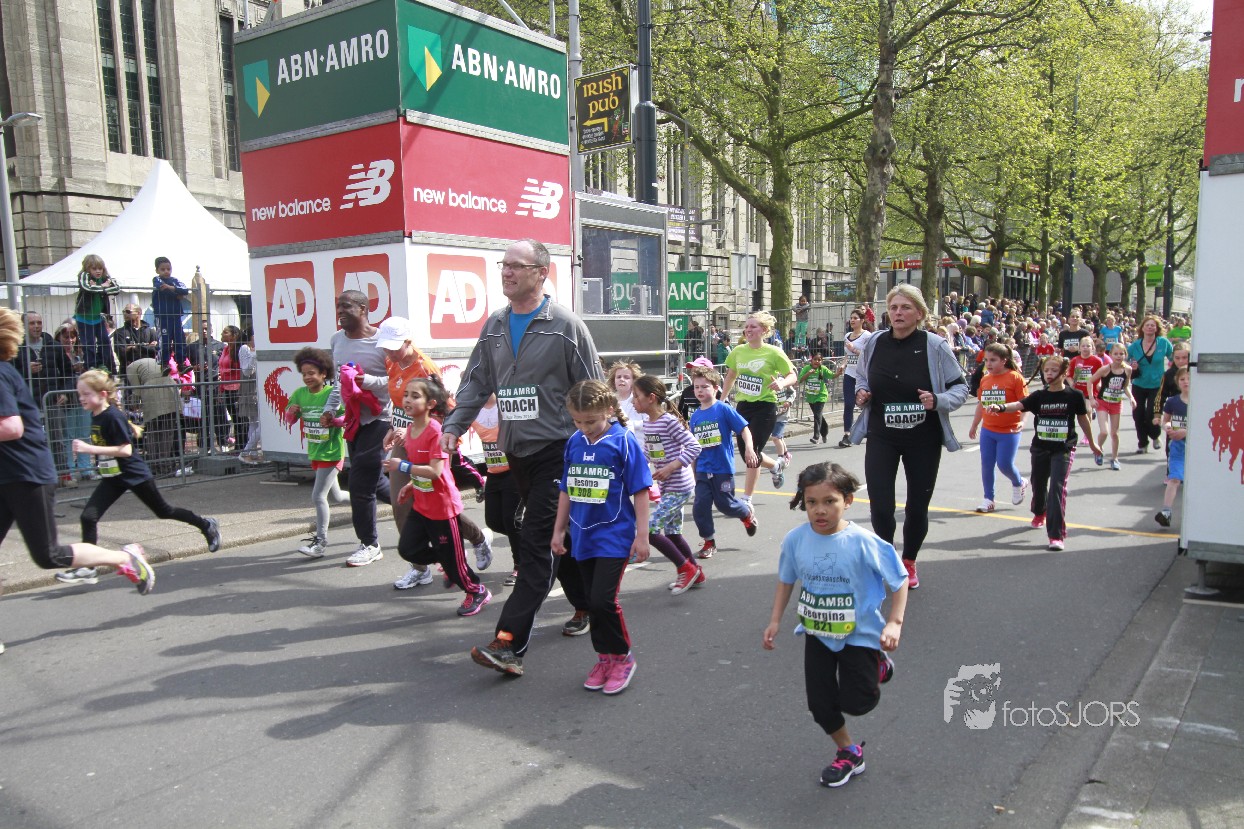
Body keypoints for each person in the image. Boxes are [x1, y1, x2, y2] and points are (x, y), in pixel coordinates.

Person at [442, 239, 601, 678]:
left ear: (541, 272)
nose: (507, 272)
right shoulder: (495, 325)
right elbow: (476, 382)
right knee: (556, 539)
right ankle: (586, 604)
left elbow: (593, 389)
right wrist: (454, 426)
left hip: (559, 452)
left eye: (516, 265)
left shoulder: (565, 325)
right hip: (516, 453)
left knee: (536, 543)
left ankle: (509, 642)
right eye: (504, 265)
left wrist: (604, 447)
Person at [0, 308, 156, 620]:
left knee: (48, 555)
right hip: (7, 475)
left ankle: (123, 557)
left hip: (26, 475)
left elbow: (12, 427)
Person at [762, 462, 908, 789]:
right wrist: (775, 620)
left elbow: (898, 580)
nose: (820, 510)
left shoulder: (862, 541)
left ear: (848, 501)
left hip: (859, 635)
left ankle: (878, 664)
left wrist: (894, 623)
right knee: (820, 704)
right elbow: (786, 580)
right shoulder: (796, 540)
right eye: (812, 502)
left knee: (858, 703)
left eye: (830, 501)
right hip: (817, 632)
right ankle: (849, 752)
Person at [850, 284, 971, 589]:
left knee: (917, 506)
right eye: (893, 307)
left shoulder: (935, 345)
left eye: (905, 307)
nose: (898, 313)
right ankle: (887, 556)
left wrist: (938, 400)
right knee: (880, 505)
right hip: (882, 435)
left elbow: (961, 387)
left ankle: (909, 560)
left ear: (919, 313)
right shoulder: (875, 342)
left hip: (923, 439)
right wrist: (862, 392)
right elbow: (862, 377)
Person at [54, 369, 221, 586]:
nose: (81, 398)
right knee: (88, 517)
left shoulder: (112, 417)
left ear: (102, 394)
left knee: (164, 511)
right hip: (114, 478)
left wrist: (89, 448)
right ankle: (88, 568)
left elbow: (125, 450)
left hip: (134, 475)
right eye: (80, 394)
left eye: (86, 394)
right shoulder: (96, 415)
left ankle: (206, 525)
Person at [375, 316, 493, 586]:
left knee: (438, 505)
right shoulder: (391, 363)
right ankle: (420, 567)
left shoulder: (424, 368)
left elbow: (444, 410)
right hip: (405, 439)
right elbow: (400, 404)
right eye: (385, 346)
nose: (389, 352)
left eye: (394, 346)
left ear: (408, 341)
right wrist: (394, 427)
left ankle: (476, 538)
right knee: (402, 503)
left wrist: (419, 429)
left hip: (431, 440)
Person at [553, 379, 651, 694]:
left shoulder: (623, 441)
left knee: (602, 600)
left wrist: (642, 535)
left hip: (615, 535)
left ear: (609, 410)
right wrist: (559, 530)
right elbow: (566, 489)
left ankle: (622, 657)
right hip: (582, 535)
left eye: (591, 421)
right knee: (592, 602)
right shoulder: (574, 442)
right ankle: (604, 658)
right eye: (578, 421)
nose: (585, 428)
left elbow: (640, 490)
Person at [391, 377, 492, 616]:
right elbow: (423, 469)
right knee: (408, 549)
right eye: (406, 394)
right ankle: (449, 559)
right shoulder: (410, 431)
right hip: (422, 505)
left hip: (442, 509)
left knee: (455, 567)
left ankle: (476, 590)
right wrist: (411, 486)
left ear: (430, 404)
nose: (407, 400)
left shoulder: (435, 431)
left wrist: (402, 466)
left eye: (415, 396)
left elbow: (436, 471)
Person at [987, 355, 1102, 551]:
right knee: (1038, 484)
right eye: (1046, 370)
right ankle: (1039, 512)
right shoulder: (1039, 396)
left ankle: (1056, 535)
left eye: (1054, 371)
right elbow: (1019, 405)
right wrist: (1001, 407)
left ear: (1064, 373)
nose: (1049, 374)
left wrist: (1092, 442)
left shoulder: (1073, 395)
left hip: (1063, 448)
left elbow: (1083, 419)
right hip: (1040, 447)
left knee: (1057, 487)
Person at [320, 290, 393, 567]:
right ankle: (415, 506)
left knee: (360, 482)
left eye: (346, 306)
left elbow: (396, 381)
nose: (340, 311)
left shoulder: (382, 341)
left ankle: (369, 544)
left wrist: (367, 381)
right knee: (375, 480)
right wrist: (330, 409)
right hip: (354, 421)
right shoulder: (337, 340)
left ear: (363, 309)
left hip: (381, 419)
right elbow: (340, 382)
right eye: (338, 306)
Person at [633, 374, 704, 594]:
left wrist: (671, 467)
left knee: (651, 530)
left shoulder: (669, 422)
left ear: (651, 398)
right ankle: (696, 572)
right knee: (672, 533)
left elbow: (695, 447)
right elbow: (650, 452)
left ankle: (686, 569)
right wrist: (633, 466)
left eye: (636, 396)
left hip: (679, 486)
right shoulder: (648, 423)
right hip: (667, 487)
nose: (633, 401)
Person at [284, 348, 349, 559]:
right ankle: (366, 501)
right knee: (338, 496)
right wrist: (291, 413)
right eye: (304, 374)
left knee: (318, 496)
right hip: (315, 451)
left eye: (312, 373)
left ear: (324, 373)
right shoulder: (299, 394)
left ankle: (320, 543)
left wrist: (334, 421)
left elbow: (347, 418)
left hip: (331, 452)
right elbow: (289, 419)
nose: (307, 377)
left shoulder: (332, 394)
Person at [688, 365, 758, 558]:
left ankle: (745, 513)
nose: (700, 390)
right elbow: (694, 447)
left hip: (722, 469)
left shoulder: (723, 409)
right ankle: (709, 542)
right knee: (700, 506)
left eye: (705, 386)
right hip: (703, 469)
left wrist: (749, 448)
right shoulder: (695, 417)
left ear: (716, 388)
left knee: (725, 504)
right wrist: (694, 472)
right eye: (696, 387)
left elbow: (744, 429)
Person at [723, 311, 796, 496]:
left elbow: (792, 375)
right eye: (746, 326)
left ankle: (746, 498)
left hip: (765, 406)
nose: (748, 330)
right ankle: (775, 466)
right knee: (745, 452)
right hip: (743, 406)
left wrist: (781, 383)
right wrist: (721, 400)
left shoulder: (774, 352)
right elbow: (731, 376)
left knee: (753, 452)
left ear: (764, 330)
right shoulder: (738, 351)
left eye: (753, 326)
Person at [966, 343, 1029, 513]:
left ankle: (1019, 482)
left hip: (1009, 430)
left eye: (993, 360)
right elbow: (981, 404)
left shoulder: (1015, 378)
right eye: (986, 360)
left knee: (1004, 464)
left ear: (1004, 360)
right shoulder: (985, 379)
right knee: (987, 465)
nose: (988, 363)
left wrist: (1022, 422)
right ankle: (988, 499)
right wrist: (974, 424)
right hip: (988, 430)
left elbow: (1025, 403)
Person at [473, 394, 521, 587]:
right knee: (493, 521)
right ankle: (532, 537)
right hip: (493, 472)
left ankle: (520, 565)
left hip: (514, 471)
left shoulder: (505, 404)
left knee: (511, 520)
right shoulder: (474, 406)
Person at [124, 357, 182, 476]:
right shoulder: (153, 360)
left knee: (153, 433)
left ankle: (155, 466)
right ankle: (164, 466)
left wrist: (133, 405)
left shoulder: (131, 367)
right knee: (167, 433)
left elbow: (136, 390)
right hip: (170, 390)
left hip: (152, 394)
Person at [1126, 316, 1173, 454]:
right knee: (1138, 414)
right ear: (1142, 328)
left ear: (1157, 328)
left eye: (1153, 325)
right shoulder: (1135, 345)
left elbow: (1173, 358)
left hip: (1157, 384)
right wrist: (1131, 366)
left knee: (1151, 413)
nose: (1150, 327)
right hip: (1139, 383)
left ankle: (1155, 435)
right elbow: (1124, 361)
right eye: (1147, 325)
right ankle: (1142, 443)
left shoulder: (1163, 343)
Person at [73, 254, 121, 373]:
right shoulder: (84, 275)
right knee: (89, 345)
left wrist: (98, 287)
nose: (98, 271)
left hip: (97, 317)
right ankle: (91, 367)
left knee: (104, 342)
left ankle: (104, 365)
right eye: (94, 269)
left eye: (100, 268)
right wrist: (103, 287)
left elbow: (116, 289)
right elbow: (87, 288)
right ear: (88, 268)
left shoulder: (104, 277)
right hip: (84, 318)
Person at [1090, 343, 1134, 470]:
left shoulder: (1128, 370)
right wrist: (1092, 398)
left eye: (1121, 354)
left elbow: (1125, 386)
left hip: (1116, 403)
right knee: (1104, 432)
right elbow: (1090, 381)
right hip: (1102, 402)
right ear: (1110, 355)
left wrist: (1131, 398)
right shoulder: (1105, 369)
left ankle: (1114, 459)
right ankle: (1098, 449)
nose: (1118, 356)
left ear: (1125, 355)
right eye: (1115, 354)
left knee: (1115, 433)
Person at [1155, 367, 1190, 527]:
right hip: (1177, 446)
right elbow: (1166, 421)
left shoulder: (1200, 401)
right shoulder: (1172, 401)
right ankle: (1166, 512)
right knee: (1174, 479)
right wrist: (1167, 427)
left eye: (1189, 379)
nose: (1186, 382)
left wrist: (1186, 431)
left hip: (1196, 448)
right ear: (1177, 382)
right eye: (1182, 379)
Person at [838, 308, 872, 448]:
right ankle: (847, 434)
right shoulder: (847, 336)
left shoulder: (867, 336)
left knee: (866, 404)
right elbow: (847, 355)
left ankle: (868, 429)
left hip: (863, 376)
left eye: (855, 318)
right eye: (851, 318)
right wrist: (843, 364)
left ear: (862, 320)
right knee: (849, 404)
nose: (852, 320)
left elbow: (869, 355)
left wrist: (854, 350)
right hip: (849, 374)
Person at [151, 257, 190, 365]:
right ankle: (164, 363)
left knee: (179, 339)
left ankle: (181, 362)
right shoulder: (157, 279)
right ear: (157, 270)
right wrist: (177, 295)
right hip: (163, 316)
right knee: (164, 340)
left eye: (168, 269)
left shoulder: (175, 280)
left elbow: (185, 290)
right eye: (163, 269)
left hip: (175, 315)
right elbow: (162, 289)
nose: (166, 271)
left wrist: (171, 288)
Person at [1068, 336, 1103, 444]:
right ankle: (1070, 434)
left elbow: (1101, 375)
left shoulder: (1097, 361)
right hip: (1077, 390)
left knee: (1087, 410)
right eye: (1083, 346)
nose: (1085, 348)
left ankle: (1087, 435)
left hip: (1090, 390)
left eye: (1088, 346)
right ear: (1079, 348)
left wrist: (1099, 384)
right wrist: (1071, 383)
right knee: (1075, 413)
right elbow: (1068, 375)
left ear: (1092, 348)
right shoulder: (1075, 360)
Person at [800, 351, 836, 445]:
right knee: (818, 415)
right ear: (811, 360)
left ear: (821, 361)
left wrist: (839, 373)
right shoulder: (806, 368)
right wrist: (808, 373)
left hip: (821, 395)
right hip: (811, 396)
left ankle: (816, 437)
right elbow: (800, 379)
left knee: (817, 415)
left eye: (819, 360)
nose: (817, 361)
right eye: (815, 359)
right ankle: (825, 431)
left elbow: (832, 375)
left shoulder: (823, 369)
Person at [237, 327, 262, 464]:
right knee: (261, 424)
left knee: (255, 422)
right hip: (251, 389)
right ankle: (246, 451)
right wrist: (254, 355)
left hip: (257, 389)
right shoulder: (245, 349)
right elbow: (247, 371)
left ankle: (253, 452)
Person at [112, 303, 158, 376]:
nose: (125, 314)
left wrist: (135, 347)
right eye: (123, 311)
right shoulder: (119, 332)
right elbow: (121, 353)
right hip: (128, 371)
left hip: (148, 370)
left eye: (128, 311)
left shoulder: (150, 331)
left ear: (138, 313)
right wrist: (147, 346)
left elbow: (156, 351)